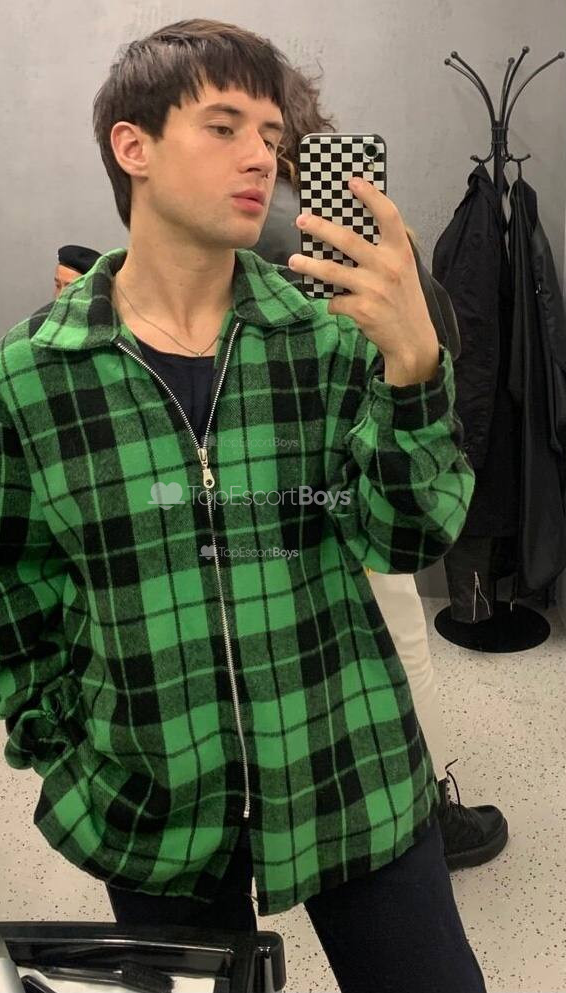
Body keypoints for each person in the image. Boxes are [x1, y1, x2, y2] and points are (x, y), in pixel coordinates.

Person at [0, 20, 486, 992]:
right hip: (153, 796)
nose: (261, 156)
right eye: (224, 125)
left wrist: (414, 369)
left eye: (272, 136)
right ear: (133, 145)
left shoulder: (323, 340)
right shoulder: (34, 376)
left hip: (348, 761)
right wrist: (77, 751)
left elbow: (405, 535)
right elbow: (3, 594)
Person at [256, 63, 508, 873]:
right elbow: (436, 338)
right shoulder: (310, 219)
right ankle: (422, 818)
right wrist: (404, 269)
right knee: (398, 644)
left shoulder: (217, 222)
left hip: (256, 478)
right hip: (350, 464)